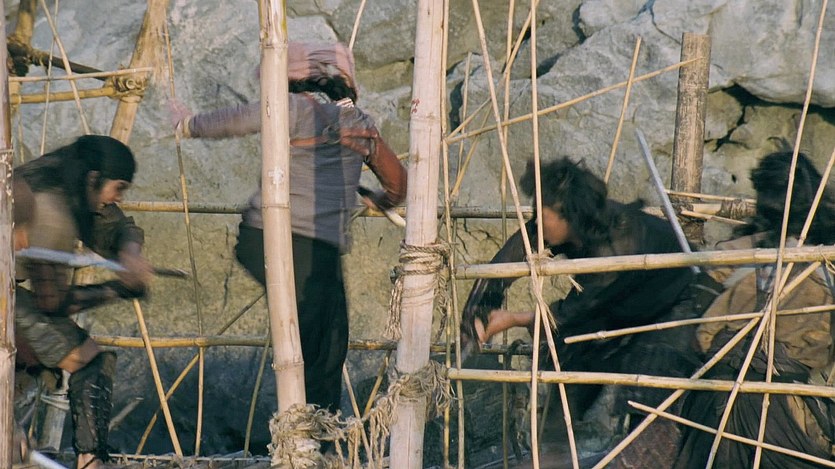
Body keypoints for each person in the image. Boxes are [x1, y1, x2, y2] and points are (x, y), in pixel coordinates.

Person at [172, 42, 408, 415]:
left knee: (318, 343)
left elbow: (234, 119)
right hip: (313, 249)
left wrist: (188, 124)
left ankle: (307, 428)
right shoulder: (359, 123)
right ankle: (312, 433)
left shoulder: (291, 108)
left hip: (262, 237)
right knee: (325, 348)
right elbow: (398, 185)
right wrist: (380, 200)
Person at [461, 158, 716, 440]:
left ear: (567, 215)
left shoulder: (614, 244)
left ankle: (633, 450)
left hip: (679, 301)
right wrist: (477, 312)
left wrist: (512, 319)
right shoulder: (565, 225)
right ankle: (554, 443)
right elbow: (507, 261)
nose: (538, 223)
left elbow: (572, 313)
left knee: (646, 387)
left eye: (542, 216)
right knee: (571, 354)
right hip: (623, 301)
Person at [674, 151, 835, 468]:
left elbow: (696, 330)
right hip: (784, 405)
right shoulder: (826, 262)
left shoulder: (733, 253)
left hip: (722, 398)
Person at [13, 134, 153, 469]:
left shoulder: (59, 178)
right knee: (88, 360)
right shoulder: (51, 209)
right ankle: (91, 462)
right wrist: (118, 289)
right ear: (93, 179)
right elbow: (52, 303)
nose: (117, 198)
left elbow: (114, 224)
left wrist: (130, 252)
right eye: (118, 188)